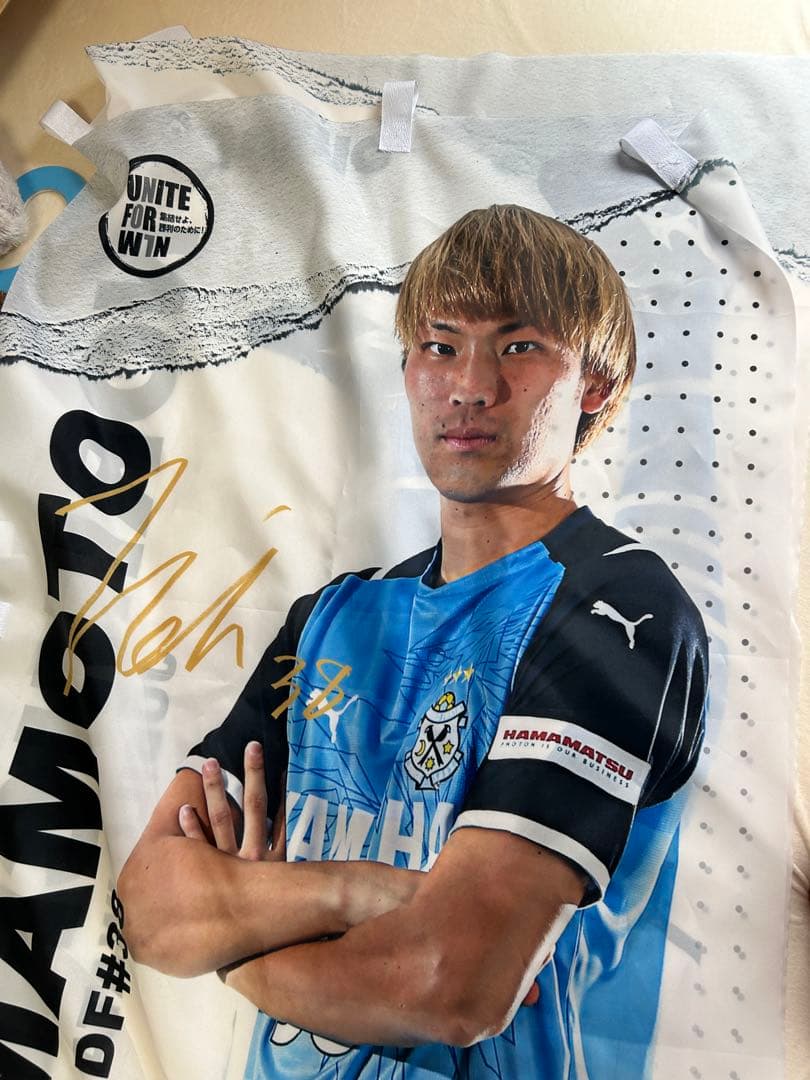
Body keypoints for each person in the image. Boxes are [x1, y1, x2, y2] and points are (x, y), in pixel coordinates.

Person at [118, 204, 708, 1079]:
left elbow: (450, 983)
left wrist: (235, 950)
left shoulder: (619, 605)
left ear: (596, 383)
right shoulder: (330, 618)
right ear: (406, 370)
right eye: (440, 345)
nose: (469, 385)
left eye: (518, 346)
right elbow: (150, 909)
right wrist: (356, 890)